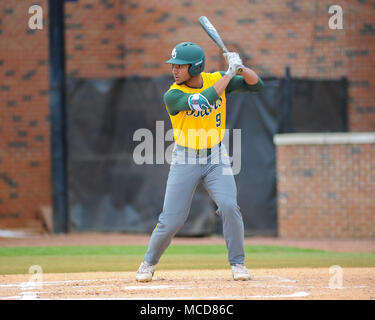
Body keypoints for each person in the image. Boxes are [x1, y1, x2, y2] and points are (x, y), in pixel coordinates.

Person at [136, 42, 264, 282]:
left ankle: (238, 263)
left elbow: (257, 86)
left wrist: (241, 68)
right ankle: (148, 263)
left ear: (195, 67)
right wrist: (228, 73)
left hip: (216, 156)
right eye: (173, 65)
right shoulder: (173, 94)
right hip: (185, 158)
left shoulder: (215, 78)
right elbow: (203, 100)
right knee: (172, 220)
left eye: (180, 66)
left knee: (229, 206)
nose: (174, 70)